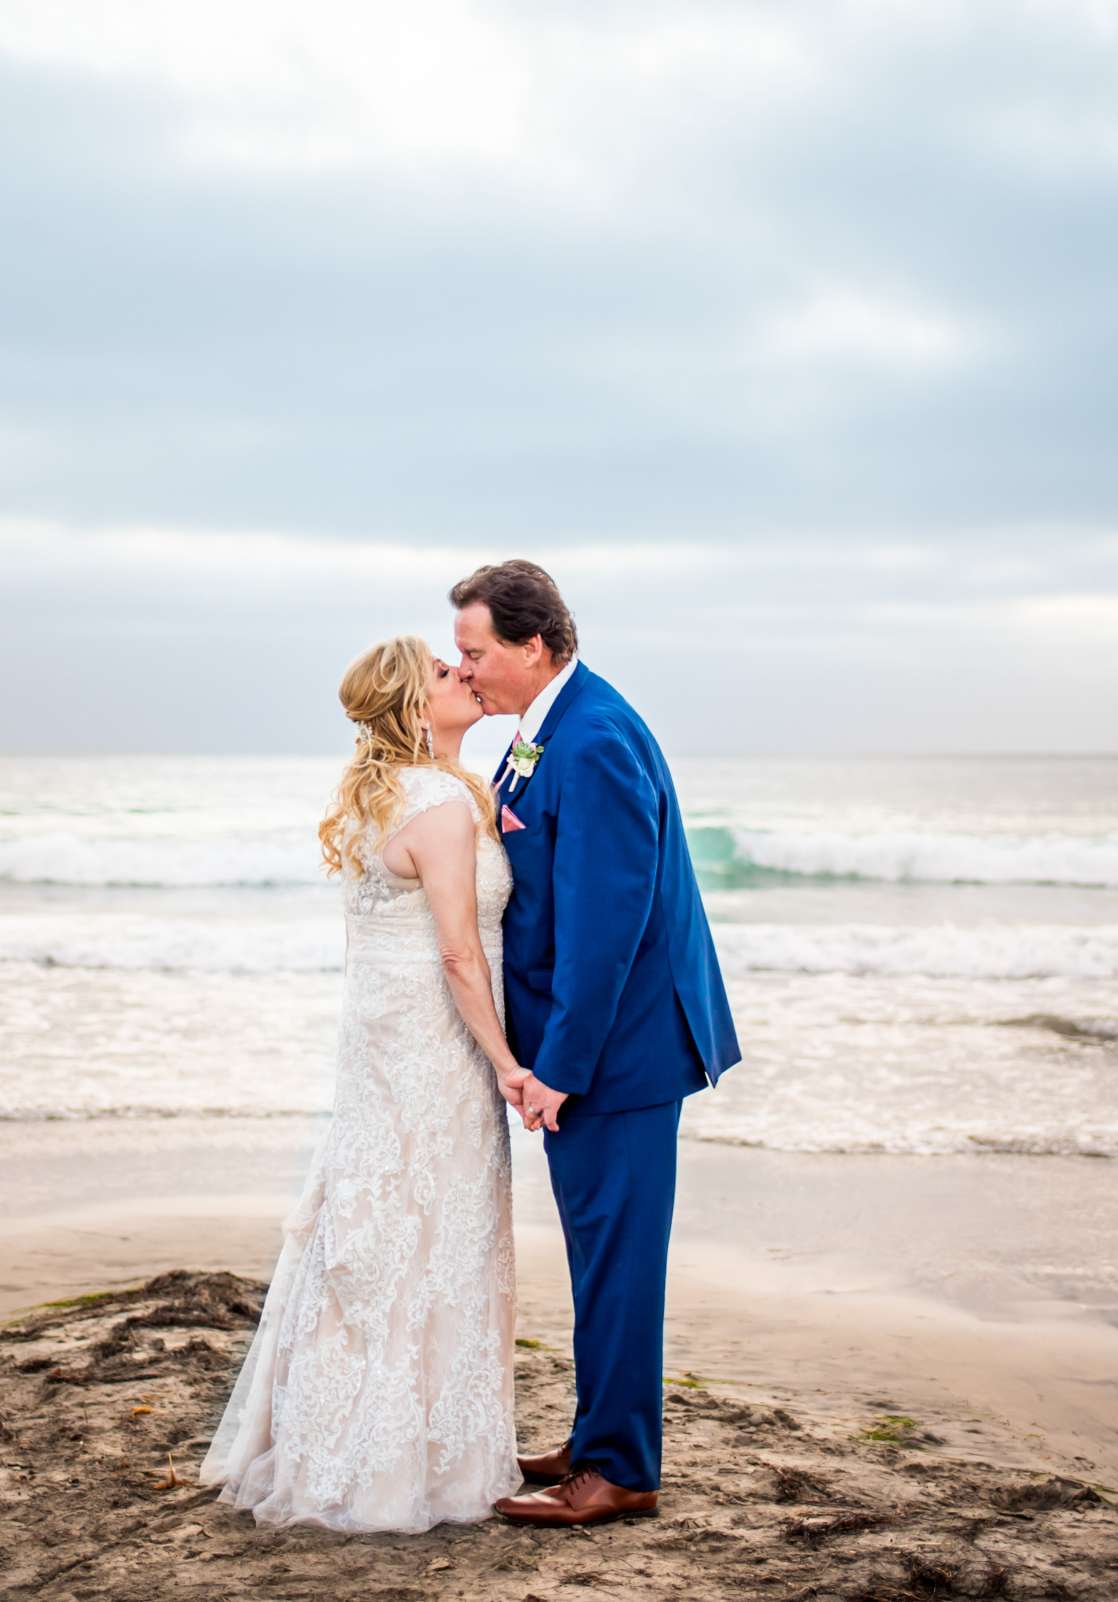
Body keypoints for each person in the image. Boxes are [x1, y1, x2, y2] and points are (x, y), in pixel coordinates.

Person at [197, 634, 530, 1533]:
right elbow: (460, 953)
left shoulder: (390, 798)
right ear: (413, 708)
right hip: (434, 1039)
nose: (462, 671)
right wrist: (508, 1064)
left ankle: (349, 1436)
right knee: (433, 1228)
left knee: (384, 1225)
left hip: (383, 1040)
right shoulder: (438, 806)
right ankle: (406, 1457)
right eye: (443, 670)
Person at [450, 559, 743, 1528]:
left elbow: (604, 929)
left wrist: (560, 1071)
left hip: (619, 1058)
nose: (468, 669)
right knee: (595, 1253)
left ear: (534, 647)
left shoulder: (598, 739)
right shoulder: (550, 731)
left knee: (617, 1259)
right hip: (591, 1054)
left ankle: (621, 1469)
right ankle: (596, 1435)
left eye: (477, 652)